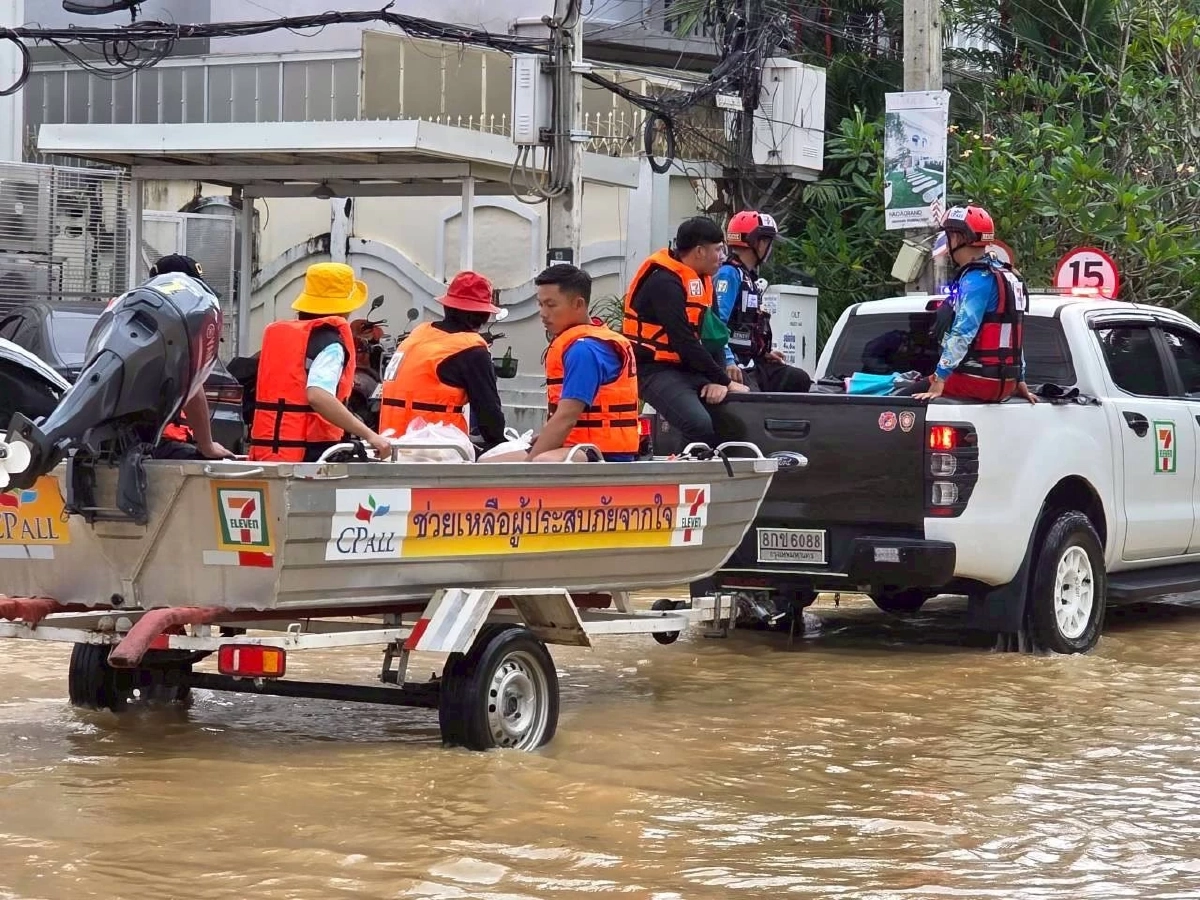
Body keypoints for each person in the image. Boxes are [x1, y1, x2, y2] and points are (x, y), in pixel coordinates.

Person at [484, 264, 639, 463]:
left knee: (541, 462)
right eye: (540, 304)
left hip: (602, 453)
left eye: (551, 304)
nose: (543, 313)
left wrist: (526, 466)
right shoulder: (584, 342)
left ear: (578, 304)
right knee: (488, 461)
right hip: (574, 447)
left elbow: (566, 417)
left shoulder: (585, 350)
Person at [622, 217, 749, 447]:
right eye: (718, 250)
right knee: (698, 424)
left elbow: (715, 336)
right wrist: (723, 380)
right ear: (700, 251)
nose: (723, 257)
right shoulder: (664, 282)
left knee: (734, 418)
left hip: (687, 367)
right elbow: (683, 341)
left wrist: (718, 379)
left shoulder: (703, 281)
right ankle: (685, 478)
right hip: (654, 369)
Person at [248, 262, 392, 461]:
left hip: (271, 449)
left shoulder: (288, 337)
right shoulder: (330, 344)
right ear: (345, 308)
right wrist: (371, 435)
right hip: (312, 454)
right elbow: (318, 396)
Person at [93, 254, 232, 461]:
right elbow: (190, 386)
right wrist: (207, 445)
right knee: (215, 464)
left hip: (109, 442)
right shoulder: (170, 323)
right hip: (148, 444)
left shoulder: (128, 313)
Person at [913, 205, 1038, 404]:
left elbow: (963, 331)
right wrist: (1019, 379)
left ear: (958, 238)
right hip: (1006, 383)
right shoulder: (1009, 275)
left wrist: (940, 377)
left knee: (903, 396)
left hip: (978, 381)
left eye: (949, 236)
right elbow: (1013, 334)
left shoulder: (975, 278)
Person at [379, 270, 507, 452]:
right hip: (435, 452)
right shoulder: (471, 349)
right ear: (484, 314)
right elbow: (489, 417)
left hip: (390, 444)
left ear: (447, 306)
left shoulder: (418, 334)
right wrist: (503, 446)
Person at [715, 210, 812, 392]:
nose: (769, 248)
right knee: (755, 398)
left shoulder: (749, 278)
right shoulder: (729, 274)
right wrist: (727, 360)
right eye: (768, 242)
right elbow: (717, 322)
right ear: (758, 242)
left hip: (750, 361)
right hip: (734, 364)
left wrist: (763, 353)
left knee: (797, 379)